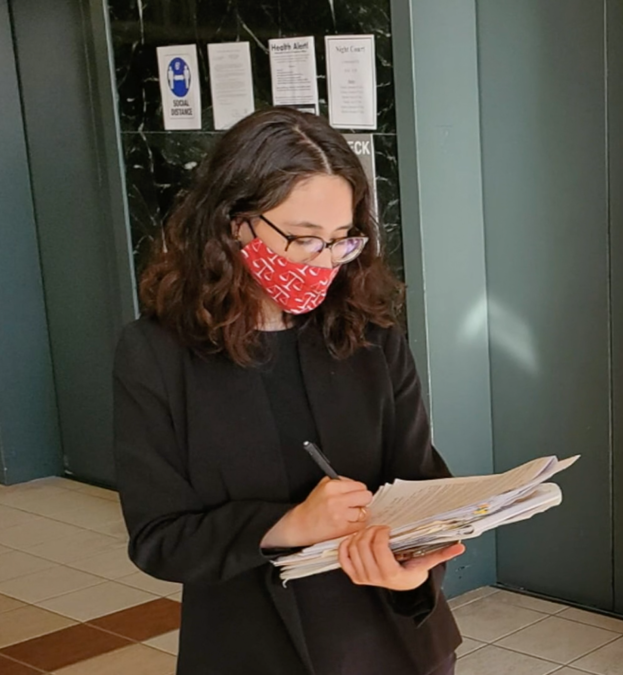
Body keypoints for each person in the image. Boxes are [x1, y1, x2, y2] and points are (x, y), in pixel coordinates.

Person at [112, 108, 463, 675]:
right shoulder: (156, 354)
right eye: (302, 239)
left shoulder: (372, 336)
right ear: (233, 222)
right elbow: (159, 537)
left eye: (341, 240)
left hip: (392, 641)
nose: (322, 263)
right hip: (249, 648)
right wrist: (289, 525)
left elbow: (422, 484)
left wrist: (413, 571)